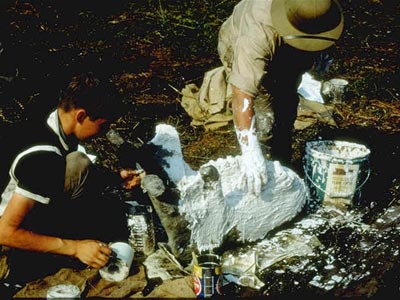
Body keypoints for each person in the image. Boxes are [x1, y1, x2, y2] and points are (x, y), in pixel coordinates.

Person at [0, 72, 142, 285]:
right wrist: (76, 248)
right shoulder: (43, 159)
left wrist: (116, 178)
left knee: (78, 162)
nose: (103, 133)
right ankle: (29, 261)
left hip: (24, 198)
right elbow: (5, 233)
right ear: (81, 116)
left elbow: (72, 165)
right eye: (102, 125)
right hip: (8, 237)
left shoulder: (55, 117)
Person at [214, 0, 344, 194]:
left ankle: (282, 160)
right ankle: (266, 173)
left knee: (286, 102)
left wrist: (319, 56)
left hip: (287, 46)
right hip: (239, 40)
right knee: (265, 114)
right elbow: (243, 94)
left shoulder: (323, 11)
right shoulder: (257, 35)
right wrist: (250, 153)